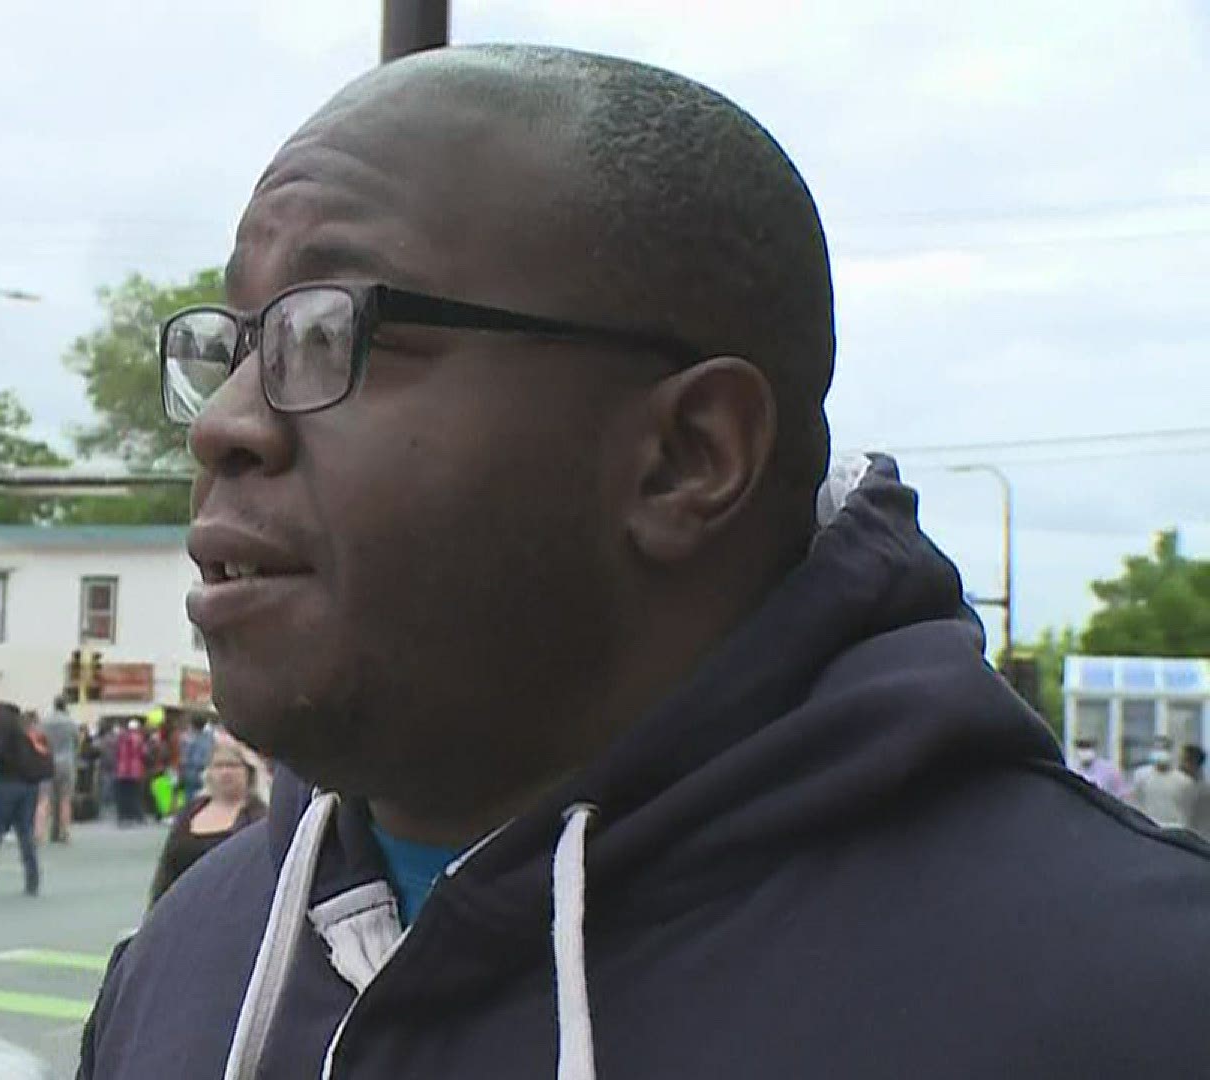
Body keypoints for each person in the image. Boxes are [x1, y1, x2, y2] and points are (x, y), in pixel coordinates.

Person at [76, 46, 1210, 1080]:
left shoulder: (1135, 1000)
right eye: (233, 345)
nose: (226, 423)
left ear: (686, 457)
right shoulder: (189, 964)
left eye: (331, 334)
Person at [148, 736, 267, 908]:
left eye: (233, 765)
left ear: (249, 772)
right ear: (208, 772)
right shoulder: (190, 813)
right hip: (183, 909)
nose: (225, 772)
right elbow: (167, 869)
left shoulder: (258, 817)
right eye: (219, 766)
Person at [0, 702, 44, 897]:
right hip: (29, 784)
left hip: (5, 783)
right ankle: (32, 881)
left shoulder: (1, 726)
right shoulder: (27, 731)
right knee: (25, 834)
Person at [40, 698, 81, 843]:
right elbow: (77, 742)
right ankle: (65, 832)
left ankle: (39, 833)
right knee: (65, 799)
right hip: (66, 762)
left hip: (47, 762)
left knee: (44, 798)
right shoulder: (70, 722)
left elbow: (39, 741)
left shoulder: (44, 722)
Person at [1130, 744, 1196, 829]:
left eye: (1165, 750)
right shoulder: (1141, 775)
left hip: (1174, 827)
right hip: (1147, 825)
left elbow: (1188, 808)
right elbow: (1136, 801)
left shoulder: (1184, 781)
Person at [111, 720, 147, 827]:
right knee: (135, 794)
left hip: (122, 770)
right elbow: (144, 753)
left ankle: (122, 816)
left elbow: (116, 753)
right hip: (135, 771)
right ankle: (137, 815)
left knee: (123, 795)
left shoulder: (121, 739)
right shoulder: (139, 739)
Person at [176, 713, 216, 809]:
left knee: (189, 795)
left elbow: (184, 757)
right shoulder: (210, 738)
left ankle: (189, 815)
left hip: (191, 771)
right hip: (205, 770)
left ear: (192, 724)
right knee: (203, 796)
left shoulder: (188, 738)